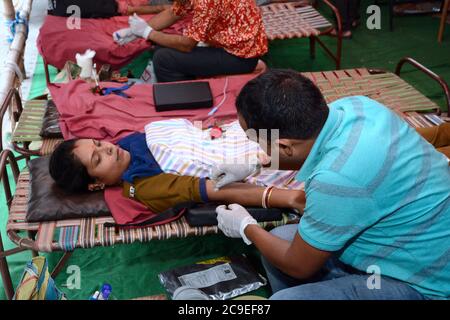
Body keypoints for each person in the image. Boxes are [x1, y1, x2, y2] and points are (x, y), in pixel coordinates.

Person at [214, 69, 450, 300]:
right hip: (422, 245)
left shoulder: (336, 180)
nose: (258, 148)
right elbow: (308, 150)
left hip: (423, 284)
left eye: (256, 141)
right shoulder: (358, 106)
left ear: (284, 145)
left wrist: (246, 227)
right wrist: (257, 163)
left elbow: (298, 266)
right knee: (280, 238)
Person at [49, 133, 305, 214]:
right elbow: (216, 188)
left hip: (232, 138)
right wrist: (287, 198)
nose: (107, 148)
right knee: (306, 147)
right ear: (96, 184)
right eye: (98, 158)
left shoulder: (126, 144)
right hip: (252, 161)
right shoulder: (143, 183)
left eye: (97, 143)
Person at [127, 0, 268, 82]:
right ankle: (190, 79)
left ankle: (184, 101)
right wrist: (134, 32)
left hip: (240, 58)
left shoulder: (206, 2)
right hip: (228, 45)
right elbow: (173, 12)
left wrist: (146, 32)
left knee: (163, 58)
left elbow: (186, 45)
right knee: (161, 46)